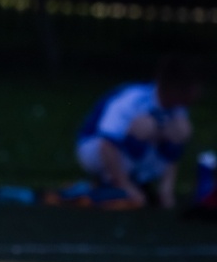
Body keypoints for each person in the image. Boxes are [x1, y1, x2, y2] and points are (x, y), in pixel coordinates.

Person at [68, 58, 200, 209]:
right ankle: (117, 183)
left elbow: (174, 145)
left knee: (179, 130)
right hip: (93, 148)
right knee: (145, 126)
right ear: (173, 87)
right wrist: (126, 187)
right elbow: (106, 144)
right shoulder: (134, 99)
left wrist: (167, 188)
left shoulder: (177, 108)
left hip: (133, 155)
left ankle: (144, 184)